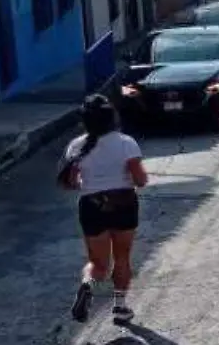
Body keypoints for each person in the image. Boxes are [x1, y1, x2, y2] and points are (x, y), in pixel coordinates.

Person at [58, 94, 147, 326]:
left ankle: (87, 284)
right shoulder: (126, 142)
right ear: (111, 117)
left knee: (98, 264)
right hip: (124, 204)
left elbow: (69, 182)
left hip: (91, 205)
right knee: (122, 258)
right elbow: (140, 180)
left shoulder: (76, 146)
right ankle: (119, 306)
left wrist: (87, 184)